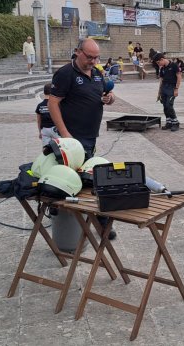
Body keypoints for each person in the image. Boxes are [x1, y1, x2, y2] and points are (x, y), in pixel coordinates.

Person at [48, 38, 116, 238]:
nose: (94, 61)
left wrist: (109, 98)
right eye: (89, 57)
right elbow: (53, 104)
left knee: (86, 179)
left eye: (96, 57)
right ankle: (98, 225)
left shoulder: (96, 73)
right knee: (88, 181)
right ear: (78, 52)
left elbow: (106, 94)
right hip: (72, 139)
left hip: (90, 137)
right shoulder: (65, 74)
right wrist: (66, 135)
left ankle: (74, 218)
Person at [153, 53, 181, 132]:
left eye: (158, 63)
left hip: (171, 88)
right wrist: (159, 93)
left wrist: (176, 89)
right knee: (165, 106)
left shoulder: (174, 66)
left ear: (162, 59)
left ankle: (175, 123)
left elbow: (179, 77)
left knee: (169, 105)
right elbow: (161, 81)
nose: (159, 65)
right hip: (164, 88)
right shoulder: (162, 69)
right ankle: (169, 122)